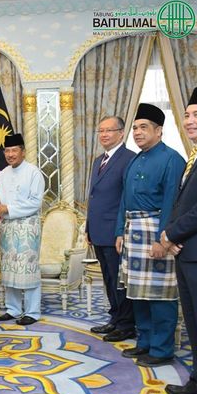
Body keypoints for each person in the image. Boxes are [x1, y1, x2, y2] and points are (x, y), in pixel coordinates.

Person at [115, 103, 185, 367]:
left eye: (143, 127)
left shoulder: (172, 159)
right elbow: (124, 199)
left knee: (160, 294)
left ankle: (162, 349)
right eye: (135, 128)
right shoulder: (135, 159)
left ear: (159, 131)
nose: (137, 132)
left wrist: (162, 239)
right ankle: (144, 342)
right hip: (132, 232)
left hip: (156, 232)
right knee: (138, 293)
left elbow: (172, 202)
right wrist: (119, 231)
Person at [161, 87, 197, 394]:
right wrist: (174, 237)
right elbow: (182, 204)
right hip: (188, 252)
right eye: (187, 114)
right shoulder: (196, 155)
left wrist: (172, 234)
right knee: (194, 324)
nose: (189, 120)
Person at [86, 116, 136, 342]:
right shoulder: (99, 160)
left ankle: (126, 324)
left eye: (109, 130)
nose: (104, 135)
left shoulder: (129, 159)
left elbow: (126, 198)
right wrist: (88, 227)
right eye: (101, 131)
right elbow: (94, 196)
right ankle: (115, 318)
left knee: (120, 280)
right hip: (98, 231)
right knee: (108, 279)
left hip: (115, 233)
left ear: (121, 133)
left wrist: (121, 231)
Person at [0, 133, 45, 325]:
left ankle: (32, 311)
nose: (10, 154)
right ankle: (13, 309)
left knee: (27, 268)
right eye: (7, 151)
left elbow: (36, 203)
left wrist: (8, 209)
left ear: (23, 151)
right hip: (7, 227)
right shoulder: (2, 174)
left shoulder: (33, 173)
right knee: (9, 269)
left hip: (27, 227)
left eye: (14, 150)